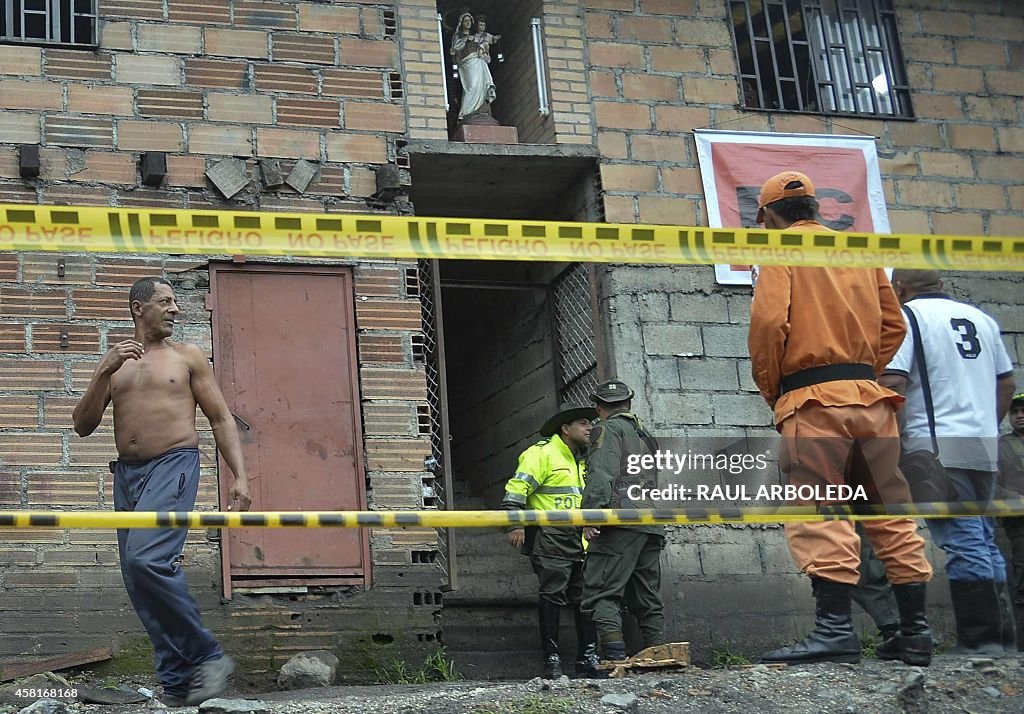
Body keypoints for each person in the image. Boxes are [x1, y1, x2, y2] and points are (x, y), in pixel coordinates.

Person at [748, 171, 934, 667]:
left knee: (819, 512)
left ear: (767, 216)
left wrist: (776, 391)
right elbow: (893, 323)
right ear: (814, 207)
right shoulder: (858, 252)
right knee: (889, 511)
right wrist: (862, 373)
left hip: (811, 404)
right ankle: (915, 632)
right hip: (871, 403)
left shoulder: (778, 253)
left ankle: (834, 632)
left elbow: (769, 325)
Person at [72, 277, 251, 706]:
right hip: (128, 476)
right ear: (138, 308)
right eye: (165, 302)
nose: (175, 309)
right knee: (139, 577)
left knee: (146, 558)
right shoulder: (117, 364)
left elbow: (221, 418)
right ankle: (177, 681)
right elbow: (82, 425)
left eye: (175, 302)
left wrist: (240, 477)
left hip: (174, 465)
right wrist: (103, 369)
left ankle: (207, 655)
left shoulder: (187, 357)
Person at [881, 269, 1017, 654]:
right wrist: (987, 426)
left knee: (963, 539)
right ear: (940, 284)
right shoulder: (981, 319)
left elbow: (893, 382)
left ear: (900, 287)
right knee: (983, 539)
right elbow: (1006, 382)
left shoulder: (907, 318)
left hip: (936, 446)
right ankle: (1002, 640)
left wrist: (896, 442)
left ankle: (980, 640)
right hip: (980, 445)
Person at [501, 404, 600, 679]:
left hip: (581, 540)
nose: (589, 427)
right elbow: (516, 489)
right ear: (565, 429)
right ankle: (552, 660)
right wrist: (516, 524)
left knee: (585, 598)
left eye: (590, 422)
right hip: (551, 537)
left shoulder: (585, 458)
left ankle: (587, 659)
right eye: (583, 423)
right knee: (552, 595)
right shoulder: (541, 453)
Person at [579, 379, 665, 663]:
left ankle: (614, 660)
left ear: (599, 407)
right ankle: (660, 655)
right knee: (647, 596)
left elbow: (602, 475)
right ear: (629, 403)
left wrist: (591, 516)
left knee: (603, 590)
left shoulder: (606, 429)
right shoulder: (646, 434)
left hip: (620, 523)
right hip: (650, 522)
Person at [997, 392, 1024, 649]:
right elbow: (995, 486)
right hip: (1019, 528)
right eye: (1015, 411)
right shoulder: (1002, 446)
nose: (1020, 415)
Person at [450, 12, 497, 120]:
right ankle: (466, 112)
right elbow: (455, 49)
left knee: (483, 85)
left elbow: (485, 43)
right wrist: (465, 40)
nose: (468, 23)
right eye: (465, 21)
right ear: (461, 23)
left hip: (479, 60)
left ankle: (481, 109)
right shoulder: (459, 35)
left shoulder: (476, 35)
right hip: (467, 63)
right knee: (472, 86)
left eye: (469, 21)